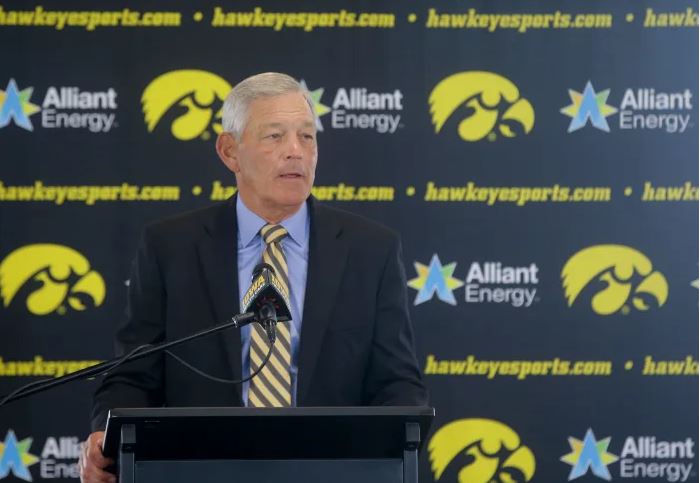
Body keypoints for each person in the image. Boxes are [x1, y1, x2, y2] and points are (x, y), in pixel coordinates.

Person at [79, 72, 427, 483]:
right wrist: (107, 436)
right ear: (230, 152)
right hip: (198, 469)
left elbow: (398, 384)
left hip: (330, 469)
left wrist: (384, 453)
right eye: (275, 136)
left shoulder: (371, 249)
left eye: (307, 136)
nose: (295, 152)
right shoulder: (171, 247)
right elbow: (132, 375)